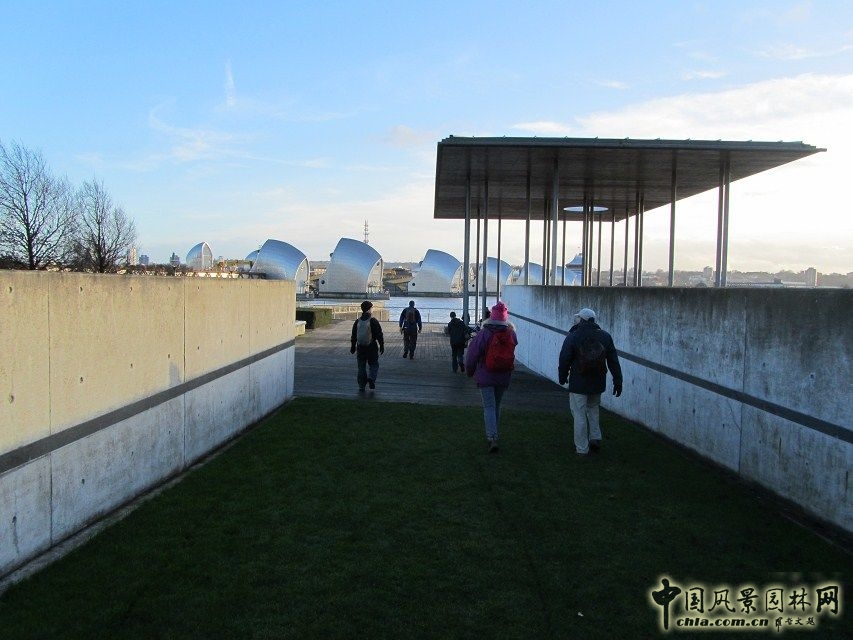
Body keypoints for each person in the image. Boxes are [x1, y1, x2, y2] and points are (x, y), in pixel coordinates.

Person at [557, 307, 623, 456]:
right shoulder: (605, 337)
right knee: (593, 408)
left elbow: (565, 358)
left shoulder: (573, 336)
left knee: (579, 413)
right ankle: (595, 438)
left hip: (578, 382)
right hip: (598, 382)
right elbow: (613, 361)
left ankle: (582, 448)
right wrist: (618, 380)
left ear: (581, 320)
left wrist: (562, 377)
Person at [465, 301, 518, 453]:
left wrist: (470, 371)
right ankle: (495, 434)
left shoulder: (484, 333)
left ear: (491, 317)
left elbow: (472, 355)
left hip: (486, 375)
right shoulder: (511, 333)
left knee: (488, 406)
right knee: (497, 405)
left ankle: (492, 437)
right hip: (503, 375)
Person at [351, 300, 384, 392]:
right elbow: (379, 334)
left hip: (360, 346)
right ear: (369, 309)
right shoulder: (373, 321)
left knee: (361, 366)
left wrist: (353, 346)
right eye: (371, 308)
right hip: (372, 346)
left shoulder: (357, 321)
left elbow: (354, 335)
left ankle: (361, 385)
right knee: (374, 364)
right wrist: (381, 345)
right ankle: (371, 378)